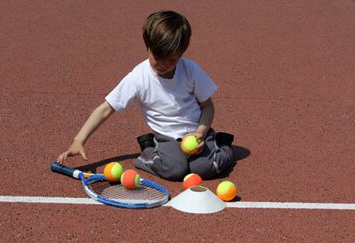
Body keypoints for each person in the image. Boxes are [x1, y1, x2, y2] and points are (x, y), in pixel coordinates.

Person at [57, 10, 234, 180]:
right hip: (167, 136)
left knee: (204, 169)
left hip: (197, 132)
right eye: (158, 56)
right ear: (147, 46)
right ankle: (148, 149)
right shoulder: (138, 77)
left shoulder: (191, 70)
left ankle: (223, 144)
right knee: (176, 170)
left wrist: (201, 133)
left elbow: (207, 106)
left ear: (182, 52)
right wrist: (79, 140)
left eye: (171, 58)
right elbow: (105, 109)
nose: (163, 63)